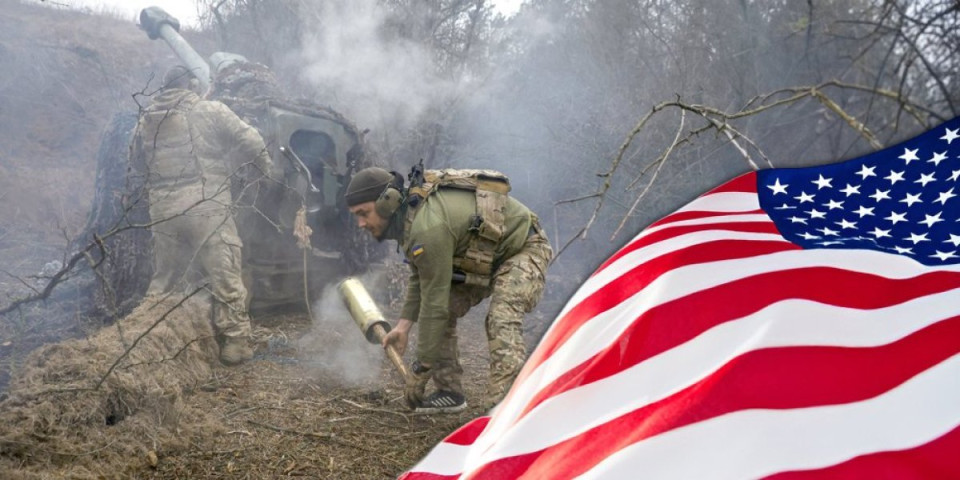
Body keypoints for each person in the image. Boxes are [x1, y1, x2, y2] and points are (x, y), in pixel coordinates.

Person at [344, 166, 552, 413]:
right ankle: (450, 392)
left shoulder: (427, 227)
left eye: (363, 213)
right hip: (483, 257)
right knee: (446, 311)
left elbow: (435, 304)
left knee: (501, 318)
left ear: (387, 203)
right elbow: (420, 276)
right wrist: (402, 326)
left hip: (524, 248)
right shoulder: (409, 218)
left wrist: (421, 370)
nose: (360, 223)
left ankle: (509, 407)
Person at [131, 65, 273, 366]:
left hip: (164, 209)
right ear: (191, 85)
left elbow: (136, 164)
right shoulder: (210, 110)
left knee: (165, 278)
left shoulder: (146, 120)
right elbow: (251, 140)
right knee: (225, 273)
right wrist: (265, 170)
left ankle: (144, 337)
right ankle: (235, 342)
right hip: (206, 207)